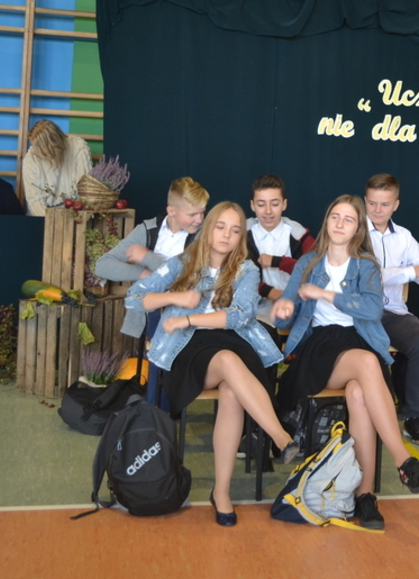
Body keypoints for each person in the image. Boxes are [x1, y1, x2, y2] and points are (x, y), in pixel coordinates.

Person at [124, 202, 299, 527]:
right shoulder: (181, 264)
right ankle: (281, 437)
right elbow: (134, 298)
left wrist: (190, 317)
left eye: (235, 230)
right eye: (220, 227)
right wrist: (174, 298)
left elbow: (240, 315)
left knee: (232, 391)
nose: (226, 235)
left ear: (240, 237)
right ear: (208, 229)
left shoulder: (246, 270)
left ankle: (221, 492)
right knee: (228, 361)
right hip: (189, 348)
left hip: (233, 341)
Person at [273, 194, 419, 531]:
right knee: (367, 363)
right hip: (320, 347)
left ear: (357, 228)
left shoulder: (366, 265)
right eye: (335, 216)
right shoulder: (308, 263)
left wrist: (325, 294)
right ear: (327, 221)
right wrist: (285, 308)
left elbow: (372, 310)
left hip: (358, 340)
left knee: (360, 395)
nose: (340, 223)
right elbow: (285, 310)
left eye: (348, 219)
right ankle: (403, 459)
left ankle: (364, 497)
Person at [363, 173, 419, 445]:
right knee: (372, 349)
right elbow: (369, 277)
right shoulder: (353, 231)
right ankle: (371, 416)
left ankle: (413, 416)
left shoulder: (404, 236)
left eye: (385, 204)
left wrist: (399, 272)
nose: (377, 210)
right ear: (364, 201)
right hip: (360, 313)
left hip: (394, 312)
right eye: (372, 203)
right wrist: (408, 272)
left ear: (396, 204)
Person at [95, 176, 209, 338]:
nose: (199, 220)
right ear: (171, 211)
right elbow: (102, 266)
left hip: (188, 320)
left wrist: (147, 258)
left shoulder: (204, 234)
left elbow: (185, 276)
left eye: (202, 212)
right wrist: (143, 273)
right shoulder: (147, 230)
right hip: (149, 319)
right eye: (192, 214)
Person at [245, 174, 316, 325]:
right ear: (252, 205)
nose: (268, 211)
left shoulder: (300, 236)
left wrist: (277, 261)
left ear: (284, 204)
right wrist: (271, 292)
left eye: (275, 204)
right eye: (261, 204)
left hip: (296, 305)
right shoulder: (242, 236)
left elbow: (315, 271)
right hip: (255, 309)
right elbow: (234, 276)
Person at [20, 120, 93, 216]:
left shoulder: (78, 146)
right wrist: (53, 221)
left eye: (40, 149)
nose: (36, 152)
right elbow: (35, 202)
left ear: (53, 145)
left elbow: (86, 191)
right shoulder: (30, 160)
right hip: (45, 215)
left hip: (76, 212)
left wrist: (74, 218)